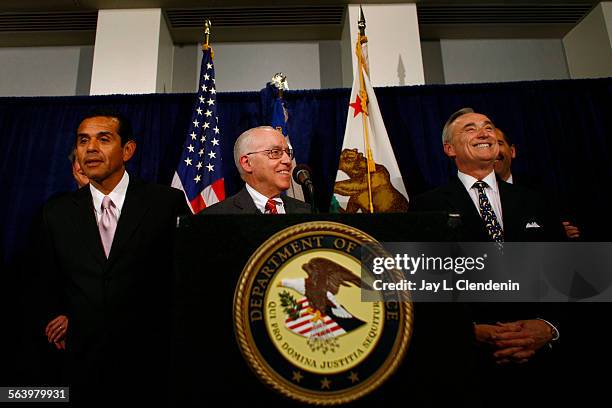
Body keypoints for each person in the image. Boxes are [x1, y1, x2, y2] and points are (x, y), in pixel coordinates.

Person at [32, 110, 189, 406]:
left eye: (103, 139)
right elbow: (42, 278)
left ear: (127, 150)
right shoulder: (56, 212)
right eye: (83, 141)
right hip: (81, 364)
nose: (90, 148)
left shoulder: (165, 203)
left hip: (148, 361)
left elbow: (183, 277)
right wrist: (57, 313)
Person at [411, 108, 562, 403]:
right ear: (449, 149)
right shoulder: (426, 206)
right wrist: (469, 332)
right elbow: (422, 290)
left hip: (540, 365)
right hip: (469, 367)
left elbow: (573, 278)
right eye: (470, 128)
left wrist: (549, 327)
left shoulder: (535, 200)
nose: (484, 133)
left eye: (488, 127)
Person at [201, 126, 311, 214]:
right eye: (275, 152)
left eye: (288, 153)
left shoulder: (306, 212)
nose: (288, 160)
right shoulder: (217, 216)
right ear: (247, 163)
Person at [494, 127, 580, 239]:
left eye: (499, 143)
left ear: (512, 151)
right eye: (488, 146)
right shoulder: (473, 195)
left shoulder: (541, 190)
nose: (494, 150)